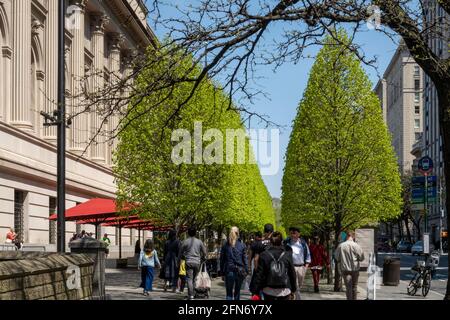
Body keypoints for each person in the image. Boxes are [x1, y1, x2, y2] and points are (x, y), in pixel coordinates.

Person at [252, 231, 297, 300]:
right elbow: (292, 273)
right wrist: (293, 289)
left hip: (268, 289)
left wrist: (256, 291)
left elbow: (259, 274)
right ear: (281, 241)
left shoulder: (264, 255)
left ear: (270, 241)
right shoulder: (287, 255)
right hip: (284, 290)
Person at [220, 227, 248, 300]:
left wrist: (222, 273)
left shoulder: (225, 245)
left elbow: (222, 260)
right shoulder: (242, 245)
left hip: (229, 270)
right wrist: (246, 271)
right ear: (238, 233)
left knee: (229, 293)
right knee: (237, 292)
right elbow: (245, 260)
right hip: (240, 271)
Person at [334, 231, 365, 300]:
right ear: (353, 237)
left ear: (346, 236)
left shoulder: (341, 246)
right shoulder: (356, 246)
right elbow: (362, 258)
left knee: (348, 287)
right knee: (354, 286)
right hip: (355, 269)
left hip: (345, 269)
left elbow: (336, 257)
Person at [178, 227, 207, 300]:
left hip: (188, 262)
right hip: (197, 262)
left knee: (189, 279)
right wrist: (203, 258)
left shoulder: (185, 241)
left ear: (188, 233)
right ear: (195, 233)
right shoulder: (199, 242)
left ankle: (190, 295)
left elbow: (180, 252)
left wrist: (180, 260)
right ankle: (193, 294)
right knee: (194, 279)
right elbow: (204, 252)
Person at [284, 227, 311, 300]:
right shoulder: (286, 243)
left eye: (294, 233)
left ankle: (292, 295)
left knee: (299, 285)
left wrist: (305, 268)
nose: (293, 235)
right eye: (291, 233)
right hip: (291, 267)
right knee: (295, 286)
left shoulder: (303, 244)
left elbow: (308, 256)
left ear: (298, 234)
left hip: (301, 267)